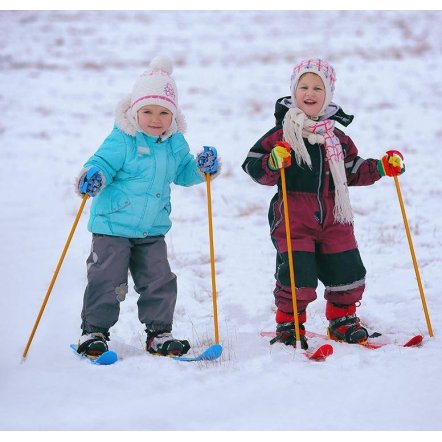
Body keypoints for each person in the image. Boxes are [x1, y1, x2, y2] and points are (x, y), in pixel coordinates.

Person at [242, 58, 405, 349]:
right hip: (293, 217)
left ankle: (343, 321)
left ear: (328, 94)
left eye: (318, 87)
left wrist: (381, 167)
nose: (310, 92)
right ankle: (289, 326)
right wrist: (273, 161)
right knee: (297, 277)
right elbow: (253, 165)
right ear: (294, 92)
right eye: (303, 86)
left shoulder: (336, 137)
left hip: (335, 217)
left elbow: (353, 169)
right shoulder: (282, 133)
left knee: (348, 270)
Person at [75, 55, 219, 357]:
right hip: (112, 227)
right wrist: (94, 176)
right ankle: (94, 332)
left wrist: (202, 169)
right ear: (135, 110)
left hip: (152, 229)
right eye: (148, 111)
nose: (156, 119)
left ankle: (159, 334)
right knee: (107, 279)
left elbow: (183, 173)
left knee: (159, 280)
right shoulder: (122, 139)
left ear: (174, 114)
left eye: (164, 112)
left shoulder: (174, 143)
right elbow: (100, 162)